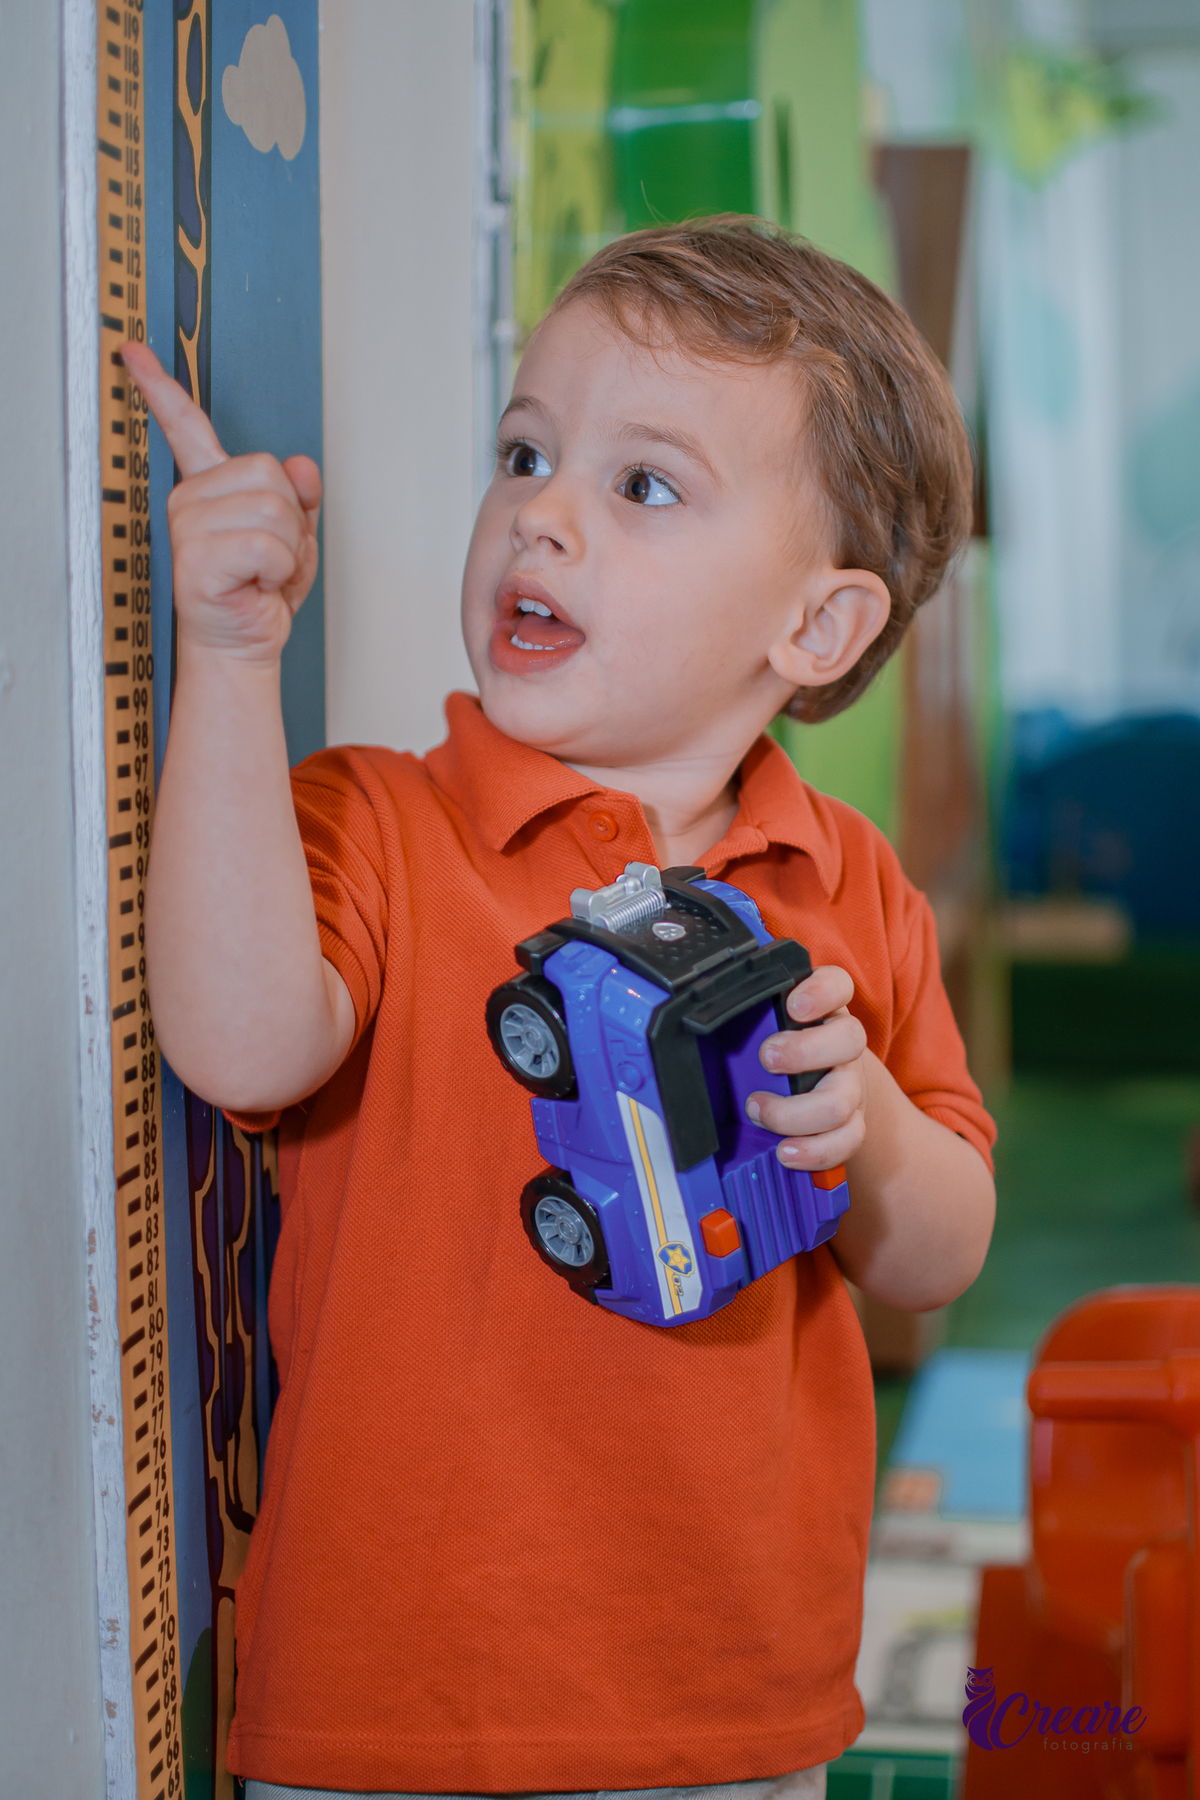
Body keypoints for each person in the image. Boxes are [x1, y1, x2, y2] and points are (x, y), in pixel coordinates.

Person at [125, 216, 996, 1800]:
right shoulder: (378, 820)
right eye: (525, 454)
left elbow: (936, 1253)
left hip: (732, 1708)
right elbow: (238, 1042)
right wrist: (236, 656)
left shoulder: (847, 887)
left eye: (641, 485)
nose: (543, 521)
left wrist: (862, 1124)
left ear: (817, 629)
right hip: (390, 1709)